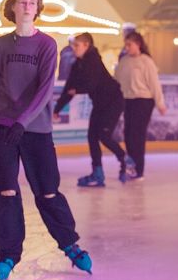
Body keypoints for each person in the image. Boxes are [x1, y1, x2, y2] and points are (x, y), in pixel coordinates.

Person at [0, 0, 93, 280]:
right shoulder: (0, 45)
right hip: (3, 126)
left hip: (35, 128)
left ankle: (70, 245)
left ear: (38, 9)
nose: (26, 6)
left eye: (32, 2)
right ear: (12, 7)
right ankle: (7, 255)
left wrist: (23, 121)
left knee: (47, 189)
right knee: (6, 190)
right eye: (22, 2)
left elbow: (44, 91)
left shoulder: (47, 45)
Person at [55, 32, 133, 186]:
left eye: (77, 45)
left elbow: (90, 84)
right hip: (100, 103)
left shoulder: (93, 60)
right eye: (73, 45)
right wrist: (57, 109)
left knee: (103, 135)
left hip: (113, 101)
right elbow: (68, 88)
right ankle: (97, 173)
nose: (73, 48)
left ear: (86, 45)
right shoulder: (77, 64)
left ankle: (124, 158)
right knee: (92, 137)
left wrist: (76, 90)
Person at [116, 31, 166, 180]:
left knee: (137, 135)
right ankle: (131, 166)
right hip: (128, 101)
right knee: (128, 134)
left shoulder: (146, 62)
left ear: (138, 44)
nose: (127, 47)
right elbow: (116, 81)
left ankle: (139, 169)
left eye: (129, 44)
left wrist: (160, 103)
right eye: (125, 45)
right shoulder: (124, 61)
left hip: (144, 101)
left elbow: (154, 84)